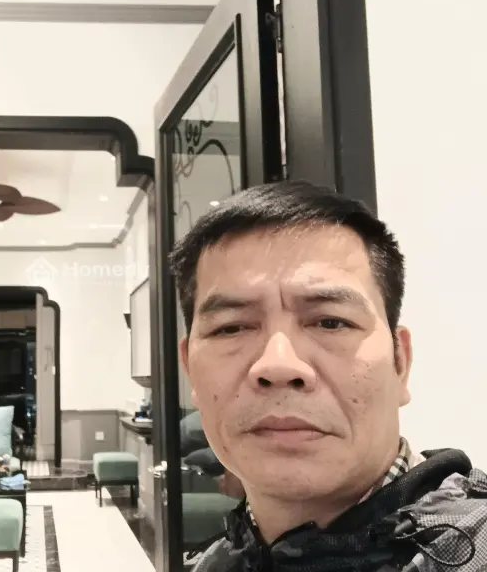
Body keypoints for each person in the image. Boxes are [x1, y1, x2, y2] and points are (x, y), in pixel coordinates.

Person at [169, 181, 487, 571]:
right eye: (231, 328)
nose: (278, 365)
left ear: (399, 361)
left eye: (331, 322)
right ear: (190, 370)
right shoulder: (215, 562)